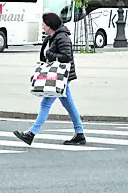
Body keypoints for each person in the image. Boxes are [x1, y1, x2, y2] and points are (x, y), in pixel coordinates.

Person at [14, 12, 86, 146]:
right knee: (69, 105)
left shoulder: (62, 37)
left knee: (45, 104)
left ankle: (31, 134)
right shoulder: (50, 38)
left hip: (60, 77)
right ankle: (80, 134)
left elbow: (66, 56)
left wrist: (50, 54)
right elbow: (44, 59)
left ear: (50, 25)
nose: (42, 26)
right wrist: (38, 74)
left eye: (44, 24)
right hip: (53, 75)